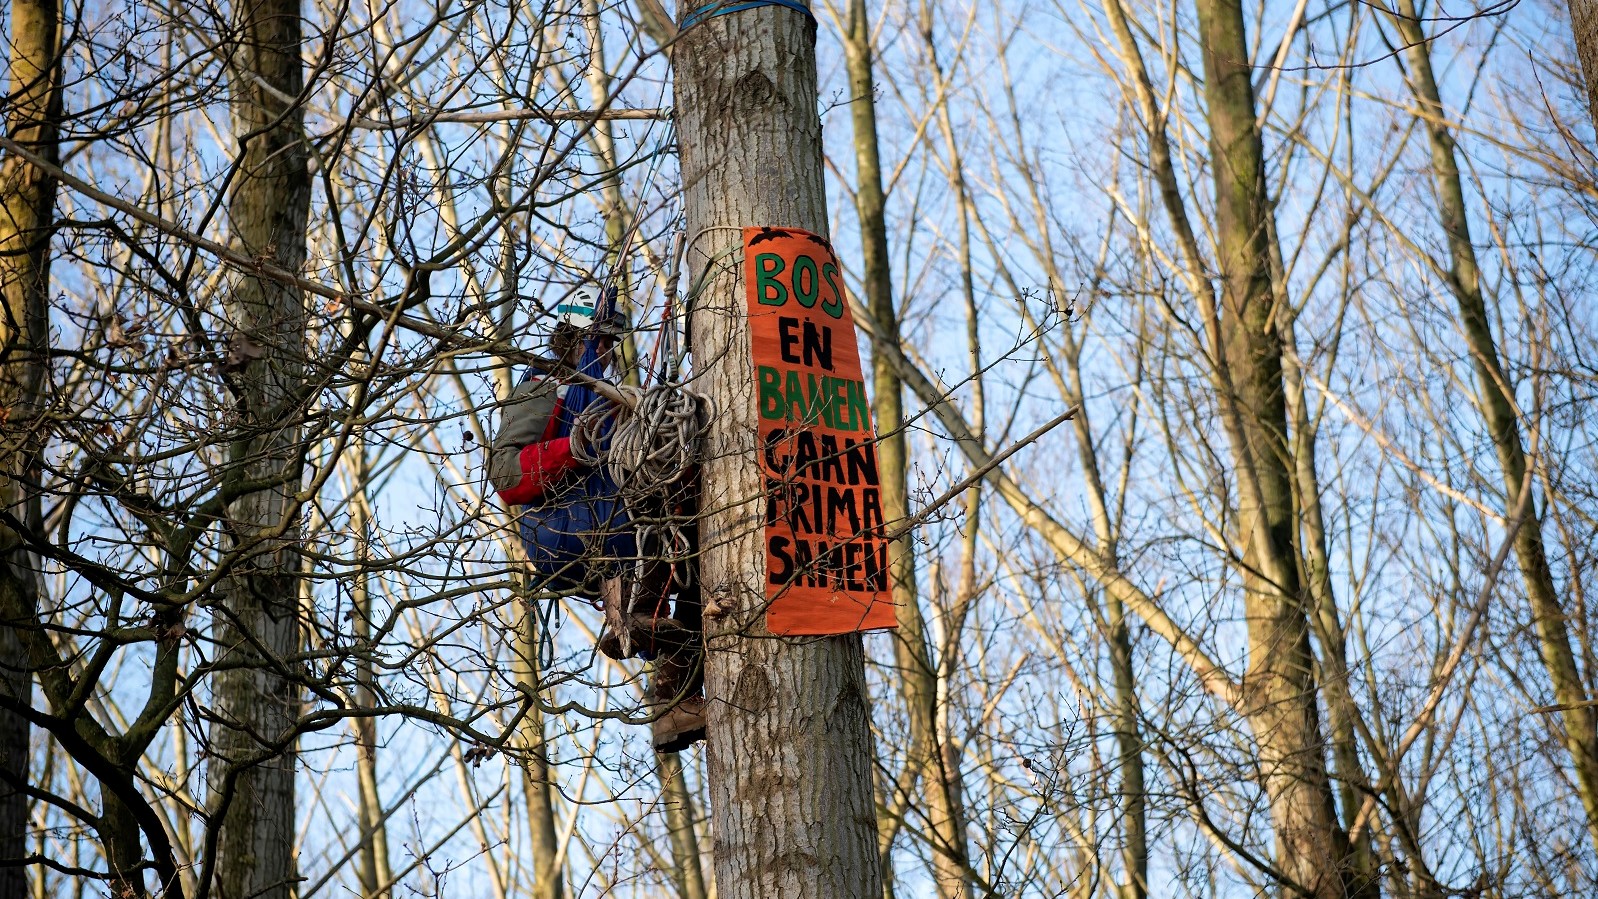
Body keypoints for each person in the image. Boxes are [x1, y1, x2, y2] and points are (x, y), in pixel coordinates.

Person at [488, 286, 706, 752]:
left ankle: (673, 699)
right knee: (683, 516)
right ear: (579, 335)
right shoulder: (546, 387)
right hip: (567, 527)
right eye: (601, 339)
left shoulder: (600, 394)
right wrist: (575, 449)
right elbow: (506, 476)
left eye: (612, 340)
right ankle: (645, 626)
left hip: (605, 522)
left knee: (702, 539)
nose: (608, 351)